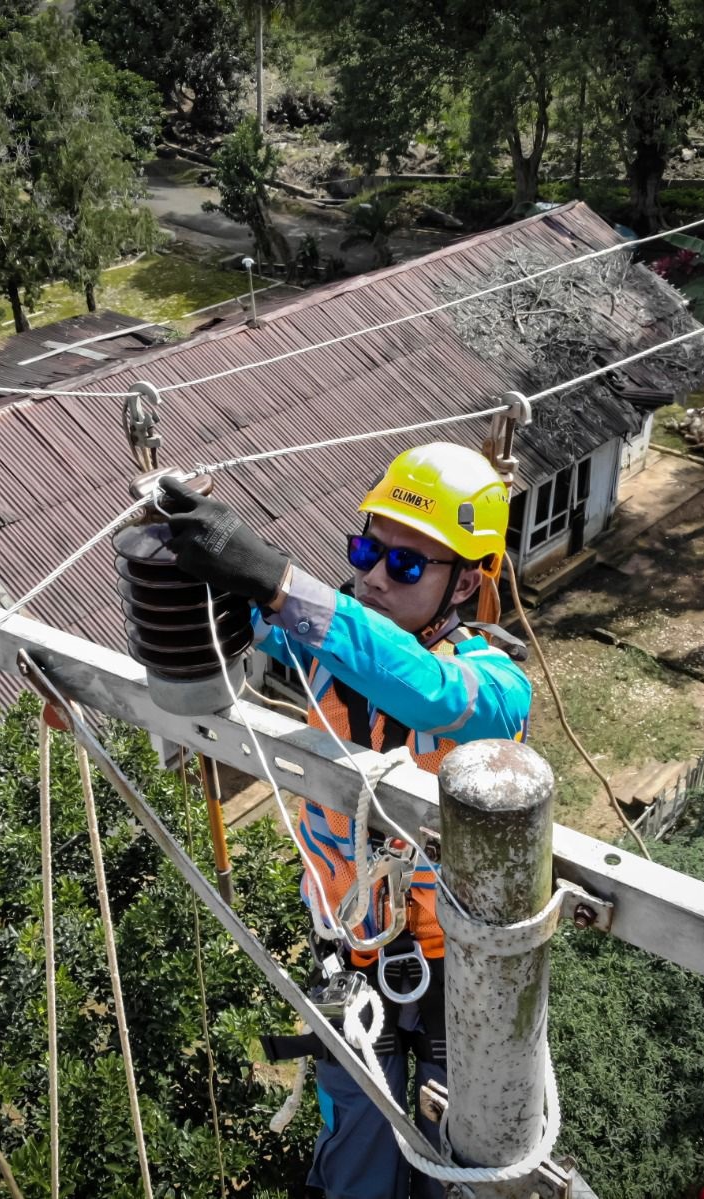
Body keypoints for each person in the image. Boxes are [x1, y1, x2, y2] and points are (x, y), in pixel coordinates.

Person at [159, 442, 533, 1199]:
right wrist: (192, 568)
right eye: (367, 551)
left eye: (405, 564)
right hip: (351, 951)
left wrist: (277, 581)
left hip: (458, 972)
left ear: (465, 582)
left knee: (460, 1156)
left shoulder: (495, 686)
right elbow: (242, 625)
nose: (373, 576)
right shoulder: (325, 645)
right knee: (356, 1144)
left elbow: (429, 690)